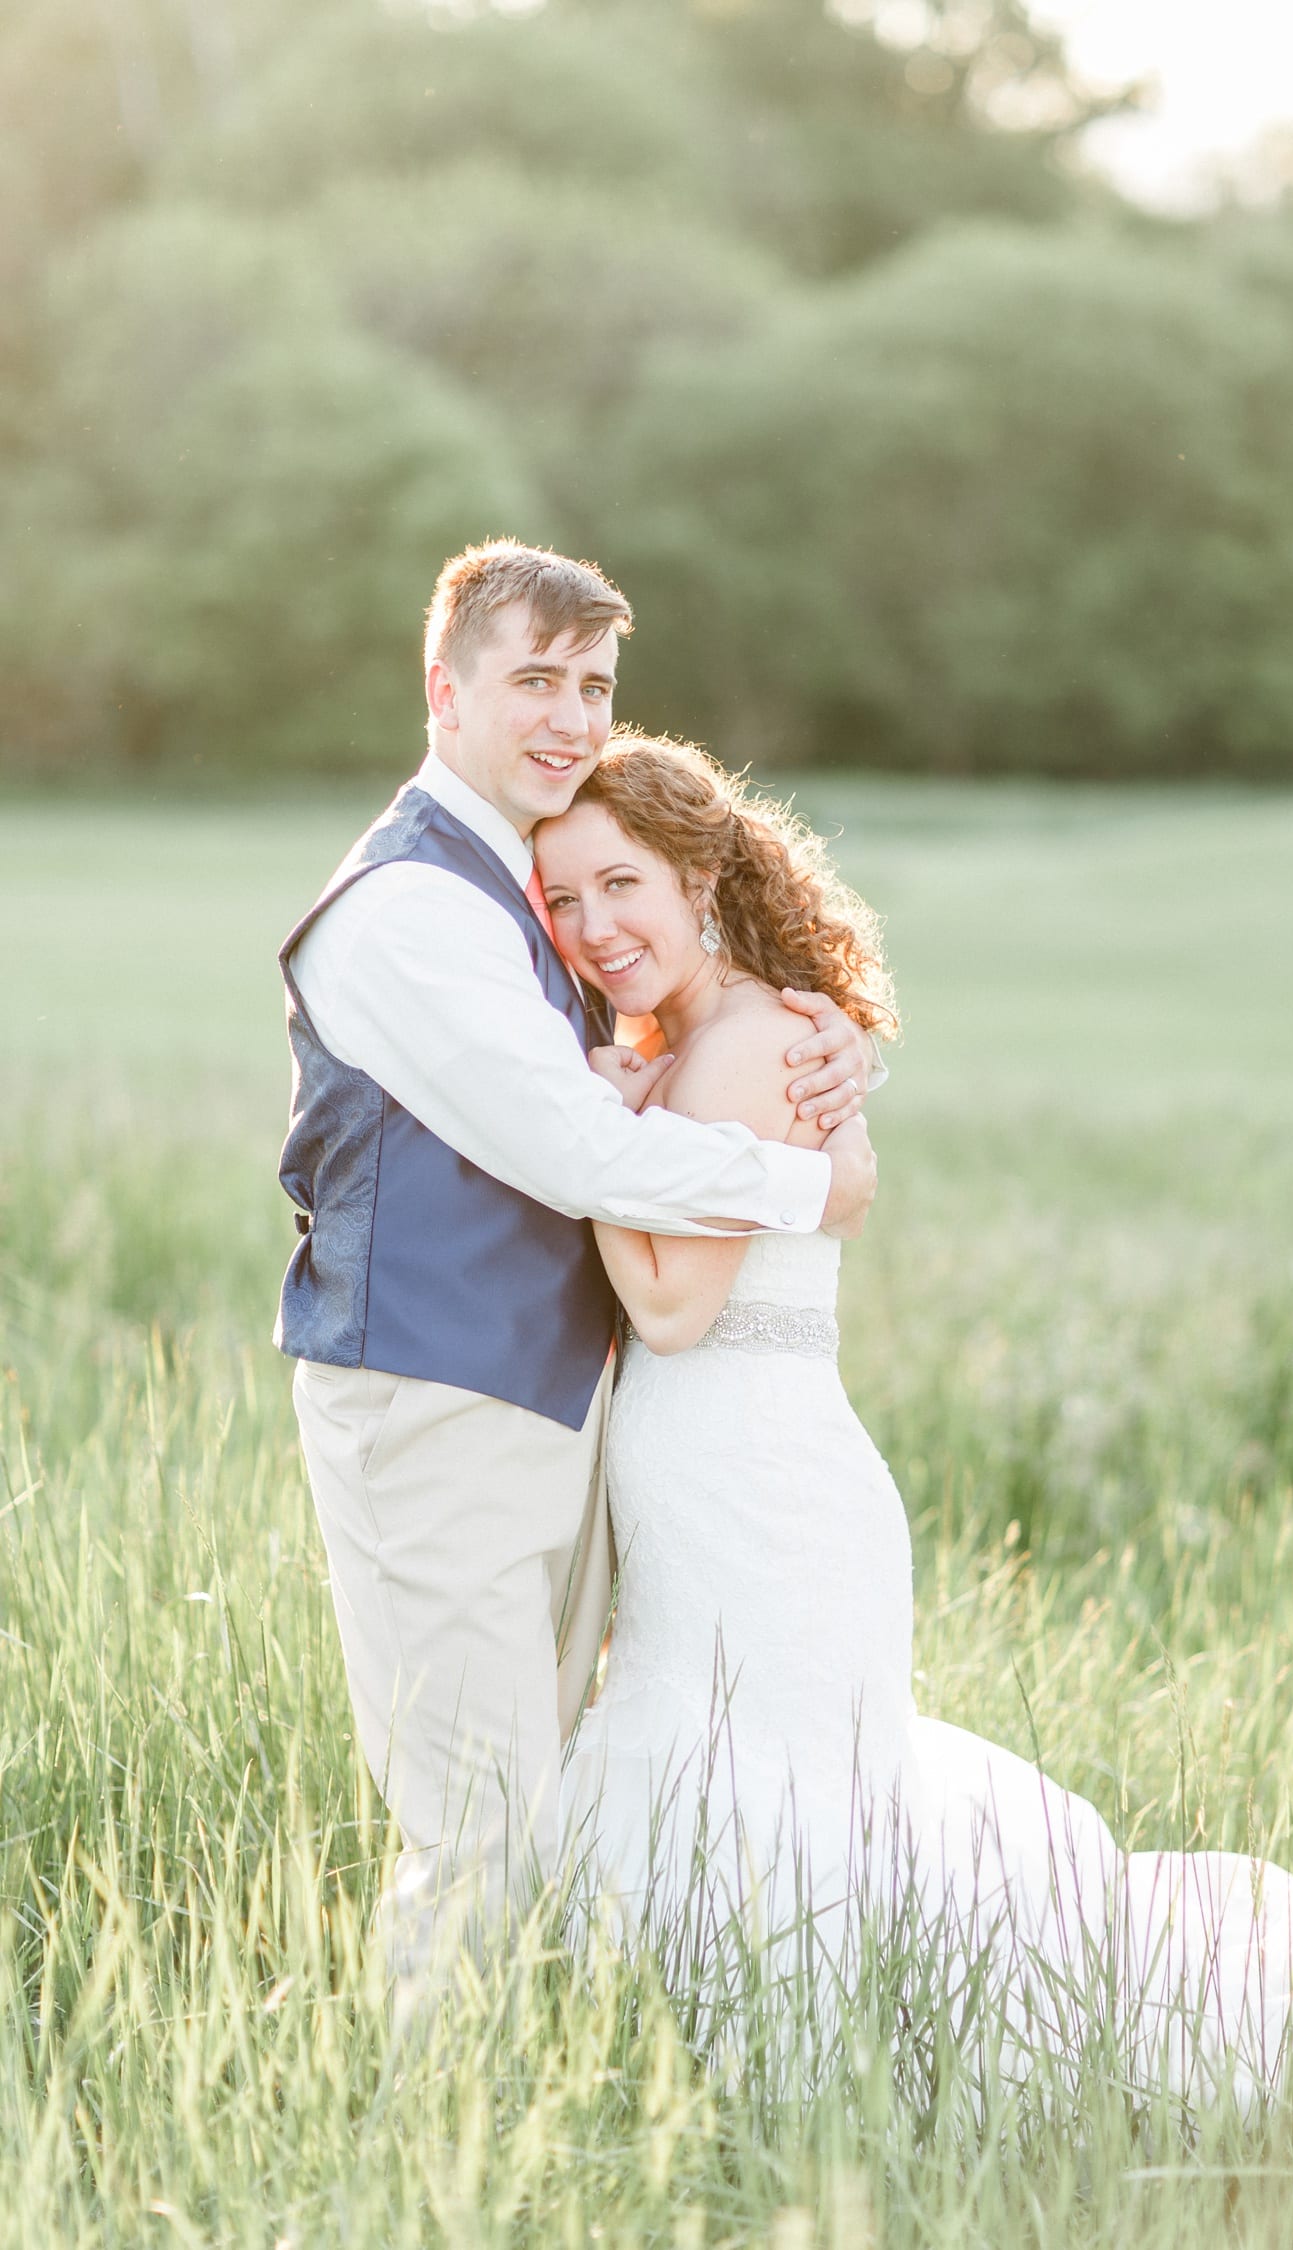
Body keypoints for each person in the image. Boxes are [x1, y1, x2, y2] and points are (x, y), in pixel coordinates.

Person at [534, 734, 1293, 2116]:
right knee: (749, 1787)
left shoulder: (734, 1047)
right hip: (738, 1483)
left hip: (761, 1492)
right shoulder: (714, 1039)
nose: (594, 925)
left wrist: (589, 1135)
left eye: (621, 884)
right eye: (562, 900)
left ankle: (818, 2086)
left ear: (700, 874)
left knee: (776, 1799)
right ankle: (738, 2077)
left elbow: (671, 1307)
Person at [273, 539, 879, 2024]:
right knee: (474, 1839)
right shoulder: (407, 910)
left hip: (547, 1416)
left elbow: (642, 1068)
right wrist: (819, 1175)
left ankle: (507, 2114)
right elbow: (575, 1147)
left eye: (594, 685)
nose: (567, 713)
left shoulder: (518, 891)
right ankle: (428, 2159)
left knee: (527, 1826)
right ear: (445, 687)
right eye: (533, 677)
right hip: (432, 1410)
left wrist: (827, 1060)